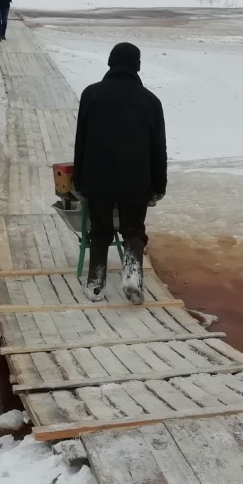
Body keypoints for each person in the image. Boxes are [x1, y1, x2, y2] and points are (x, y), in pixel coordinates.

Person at [72, 42, 167, 303]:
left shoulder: (91, 95)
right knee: (134, 230)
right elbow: (158, 149)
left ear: (110, 63)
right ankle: (133, 276)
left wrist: (78, 181)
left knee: (100, 230)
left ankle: (95, 284)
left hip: (97, 179)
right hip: (136, 181)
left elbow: (81, 141)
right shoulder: (151, 101)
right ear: (137, 67)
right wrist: (159, 186)